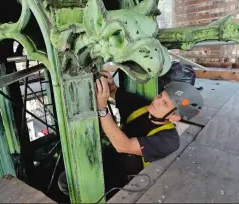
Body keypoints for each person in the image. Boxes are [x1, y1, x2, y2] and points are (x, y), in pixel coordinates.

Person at [58, 70, 204, 197]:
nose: (157, 101)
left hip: (122, 181)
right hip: (108, 158)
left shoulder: (169, 141)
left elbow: (123, 145)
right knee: (66, 182)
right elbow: (116, 92)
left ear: (174, 117)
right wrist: (110, 86)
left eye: (165, 103)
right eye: (160, 95)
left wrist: (102, 108)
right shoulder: (144, 107)